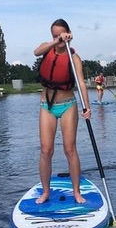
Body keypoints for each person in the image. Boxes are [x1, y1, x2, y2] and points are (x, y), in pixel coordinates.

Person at [34, 18, 91, 205]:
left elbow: (81, 83)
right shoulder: (46, 47)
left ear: (68, 34)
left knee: (69, 149)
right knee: (46, 150)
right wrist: (55, 42)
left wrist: (87, 107)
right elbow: (36, 52)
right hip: (46, 106)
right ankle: (45, 192)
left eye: (61, 34)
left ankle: (76, 192)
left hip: (68, 104)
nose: (58, 38)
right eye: (54, 35)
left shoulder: (74, 58)